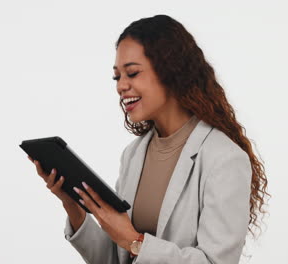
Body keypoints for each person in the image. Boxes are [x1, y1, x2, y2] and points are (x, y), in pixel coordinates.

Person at [28, 14, 269, 264]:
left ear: (171, 71)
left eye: (132, 73)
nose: (121, 86)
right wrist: (73, 207)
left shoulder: (224, 159)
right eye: (117, 77)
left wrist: (135, 241)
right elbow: (115, 258)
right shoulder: (133, 154)